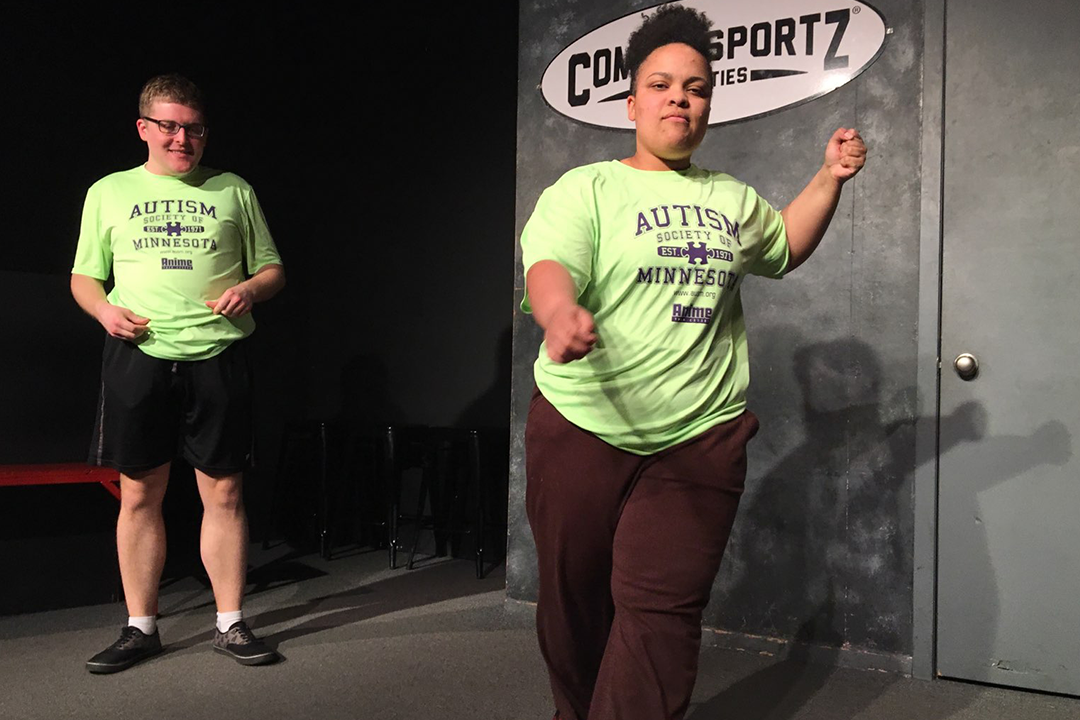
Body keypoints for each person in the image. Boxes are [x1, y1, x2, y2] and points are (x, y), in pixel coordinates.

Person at [520, 5, 867, 719]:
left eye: (697, 87)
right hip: (584, 425)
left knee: (659, 616)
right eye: (661, 84)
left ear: (708, 104)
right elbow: (549, 265)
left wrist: (828, 178)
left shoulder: (729, 198)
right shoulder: (588, 189)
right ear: (631, 103)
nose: (680, 97)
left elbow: (783, 245)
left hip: (698, 438)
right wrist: (558, 314)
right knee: (573, 608)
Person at [71, 73, 286, 673]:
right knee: (140, 493)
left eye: (193, 128)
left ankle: (230, 622)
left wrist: (248, 289)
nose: (181, 138)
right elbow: (84, 276)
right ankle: (141, 628)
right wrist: (104, 309)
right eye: (168, 125)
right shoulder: (109, 191)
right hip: (139, 354)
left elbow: (272, 270)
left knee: (225, 490)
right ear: (144, 128)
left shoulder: (233, 190)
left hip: (219, 353)